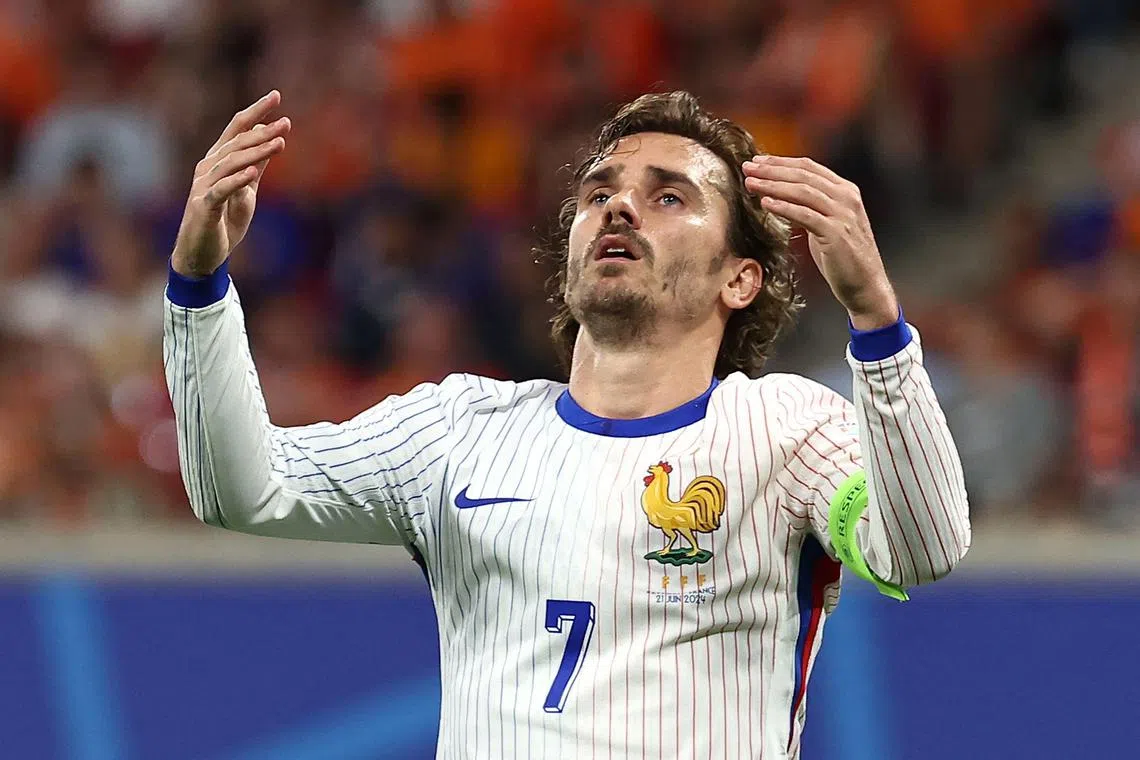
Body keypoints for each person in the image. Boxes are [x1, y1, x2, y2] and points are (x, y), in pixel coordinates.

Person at [164, 89, 969, 759]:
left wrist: (876, 320)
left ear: (740, 278)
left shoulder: (786, 428)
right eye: (599, 191)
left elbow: (924, 547)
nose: (619, 204)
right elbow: (244, 487)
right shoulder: (459, 430)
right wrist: (197, 283)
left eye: (668, 196)